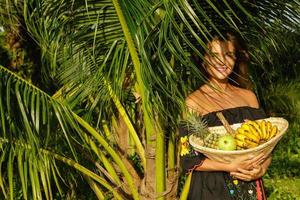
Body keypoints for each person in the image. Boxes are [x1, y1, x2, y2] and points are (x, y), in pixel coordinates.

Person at [180, 31, 271, 200]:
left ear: (236, 58)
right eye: (214, 55)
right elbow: (187, 158)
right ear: (203, 59)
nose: (222, 62)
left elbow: (267, 144)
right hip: (212, 189)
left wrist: (263, 168)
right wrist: (229, 165)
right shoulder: (193, 102)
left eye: (228, 55)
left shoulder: (249, 97)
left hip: (250, 184)